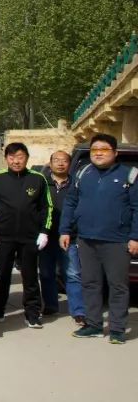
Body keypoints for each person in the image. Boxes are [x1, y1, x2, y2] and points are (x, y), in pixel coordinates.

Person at [61, 133, 137, 345]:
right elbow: (70, 202)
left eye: (104, 150)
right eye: (95, 150)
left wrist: (135, 237)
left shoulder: (129, 175)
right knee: (90, 283)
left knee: (118, 286)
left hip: (117, 241)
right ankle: (94, 325)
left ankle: (117, 329)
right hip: (86, 239)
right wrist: (65, 230)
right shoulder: (83, 173)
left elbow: (137, 208)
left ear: (115, 152)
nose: (98, 154)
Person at [0, 142, 52, 328]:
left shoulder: (38, 178)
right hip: (3, 236)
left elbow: (47, 207)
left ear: (26, 158)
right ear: (6, 159)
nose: (16, 161)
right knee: (1, 275)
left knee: (30, 276)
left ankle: (32, 314)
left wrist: (44, 232)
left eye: (20, 157)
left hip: (30, 236)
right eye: (12, 157)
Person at [43, 150, 82, 324]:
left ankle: (78, 310)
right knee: (46, 273)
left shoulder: (77, 184)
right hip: (46, 236)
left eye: (64, 160)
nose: (60, 163)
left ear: (70, 164)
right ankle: (51, 305)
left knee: (73, 274)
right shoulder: (42, 183)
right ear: (50, 163)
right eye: (57, 160)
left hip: (70, 237)